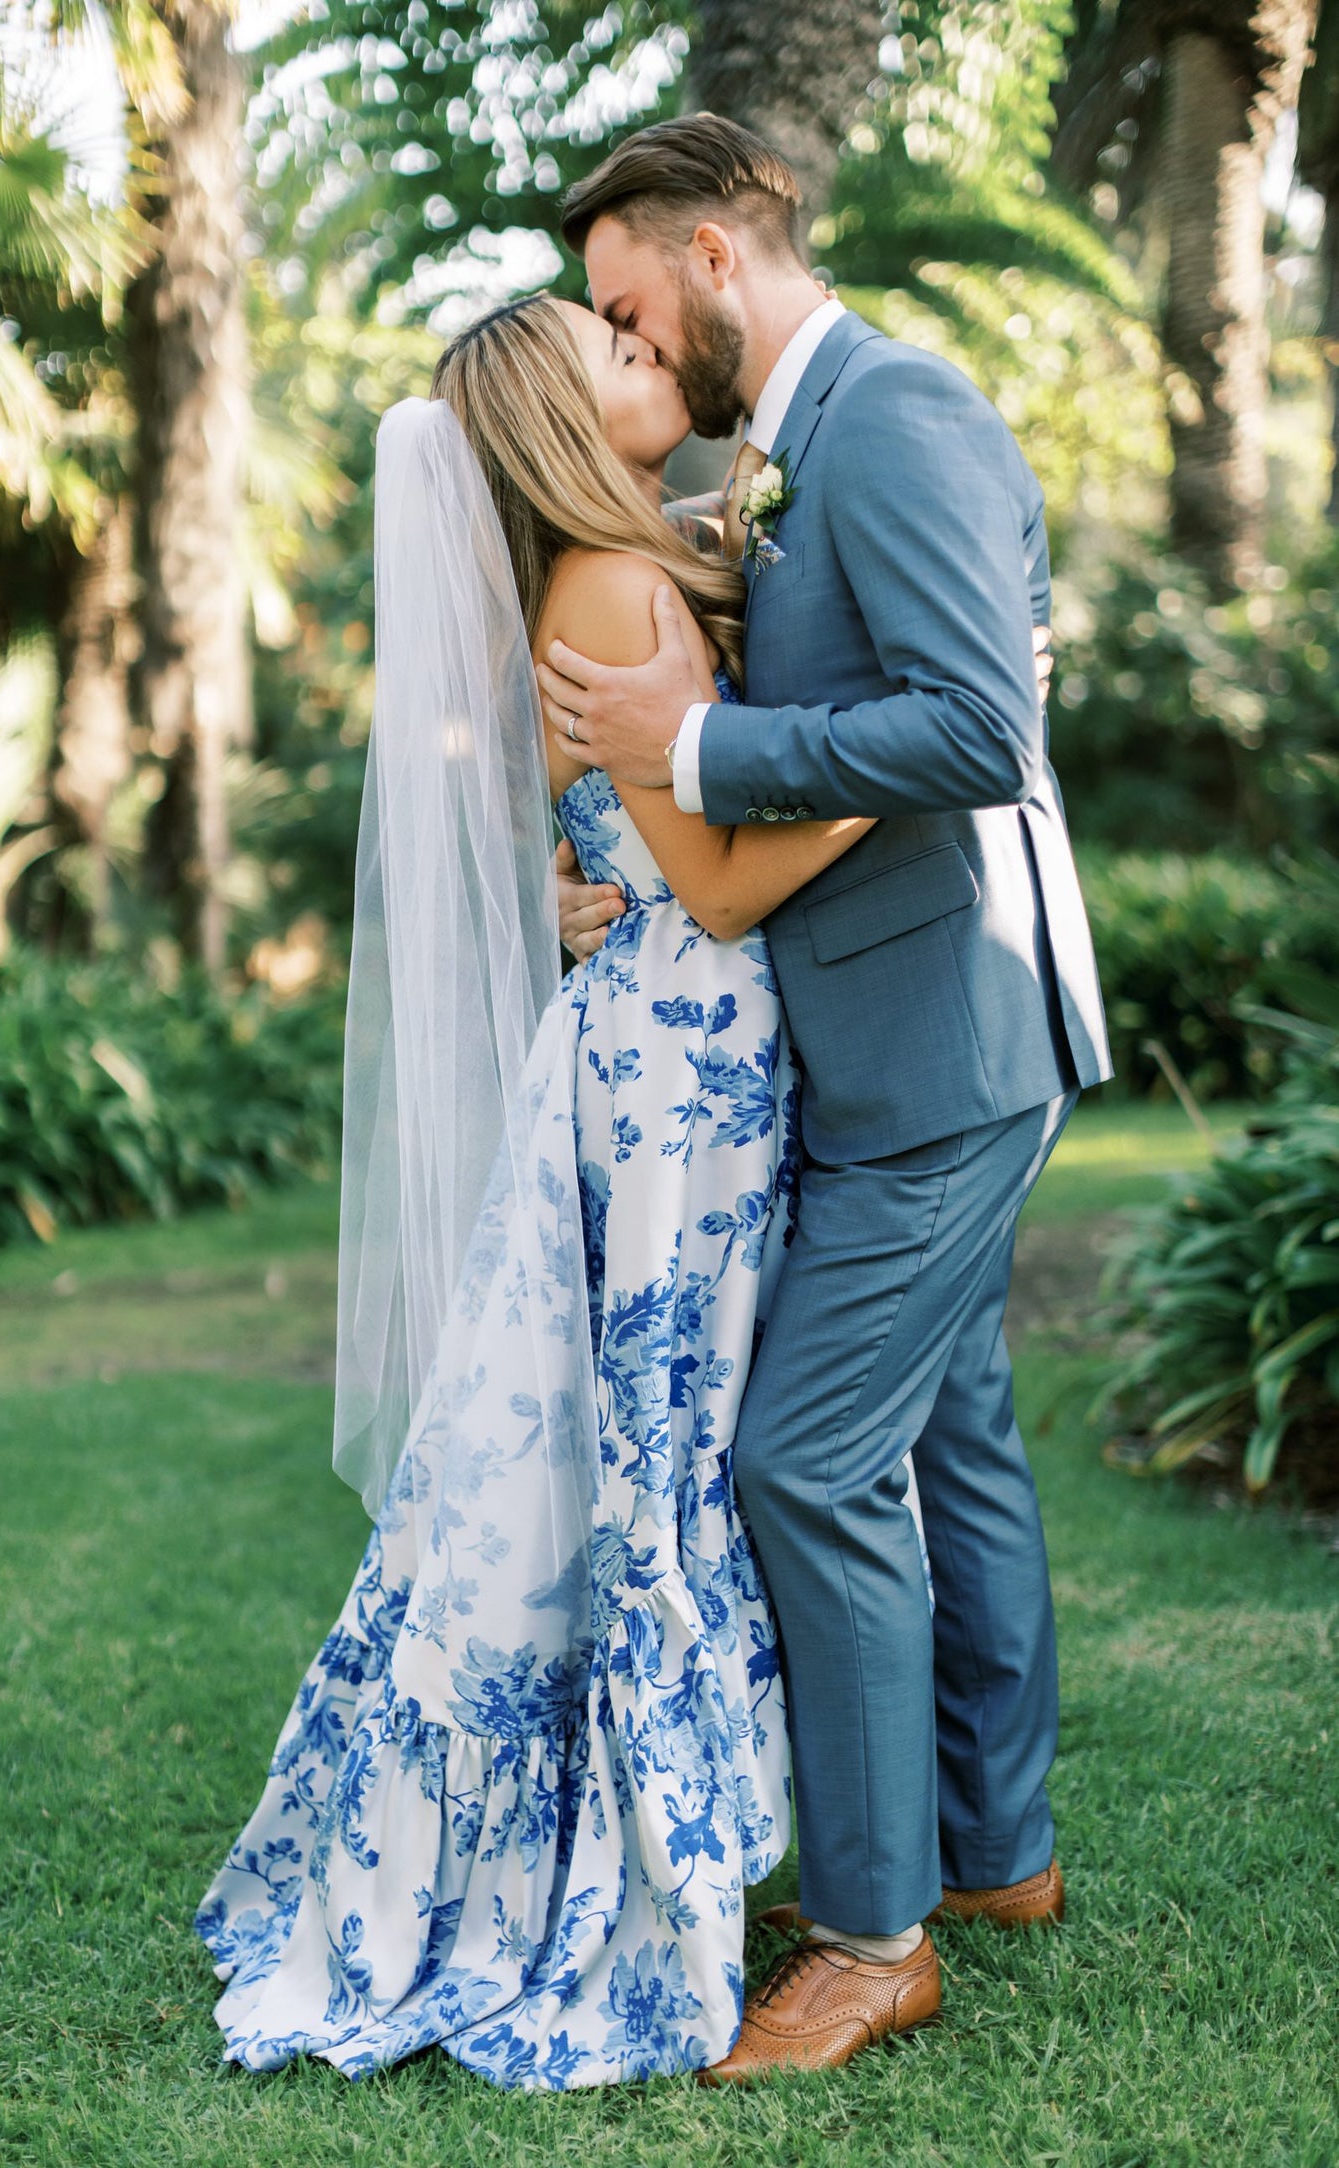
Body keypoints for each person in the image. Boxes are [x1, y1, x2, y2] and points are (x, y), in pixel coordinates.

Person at [192, 290, 919, 2089]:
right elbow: (728, 886)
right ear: (548, 414)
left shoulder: (614, 565)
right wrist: (913, 764)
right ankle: (640, 1875)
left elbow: (590, 832)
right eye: (607, 351)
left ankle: (654, 1835)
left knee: (620, 1446)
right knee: (659, 1451)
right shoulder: (609, 591)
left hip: (651, 1045)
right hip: (682, 1067)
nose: (641, 354)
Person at [543, 113, 1112, 2083]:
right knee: (951, 1429)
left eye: (625, 301)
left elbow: (979, 721)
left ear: (714, 251)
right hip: (884, 1038)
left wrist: (697, 740)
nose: (623, 339)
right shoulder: (795, 455)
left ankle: (874, 1937)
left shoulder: (891, 412)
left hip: (949, 1039)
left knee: (806, 1453)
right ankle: (995, 1849)